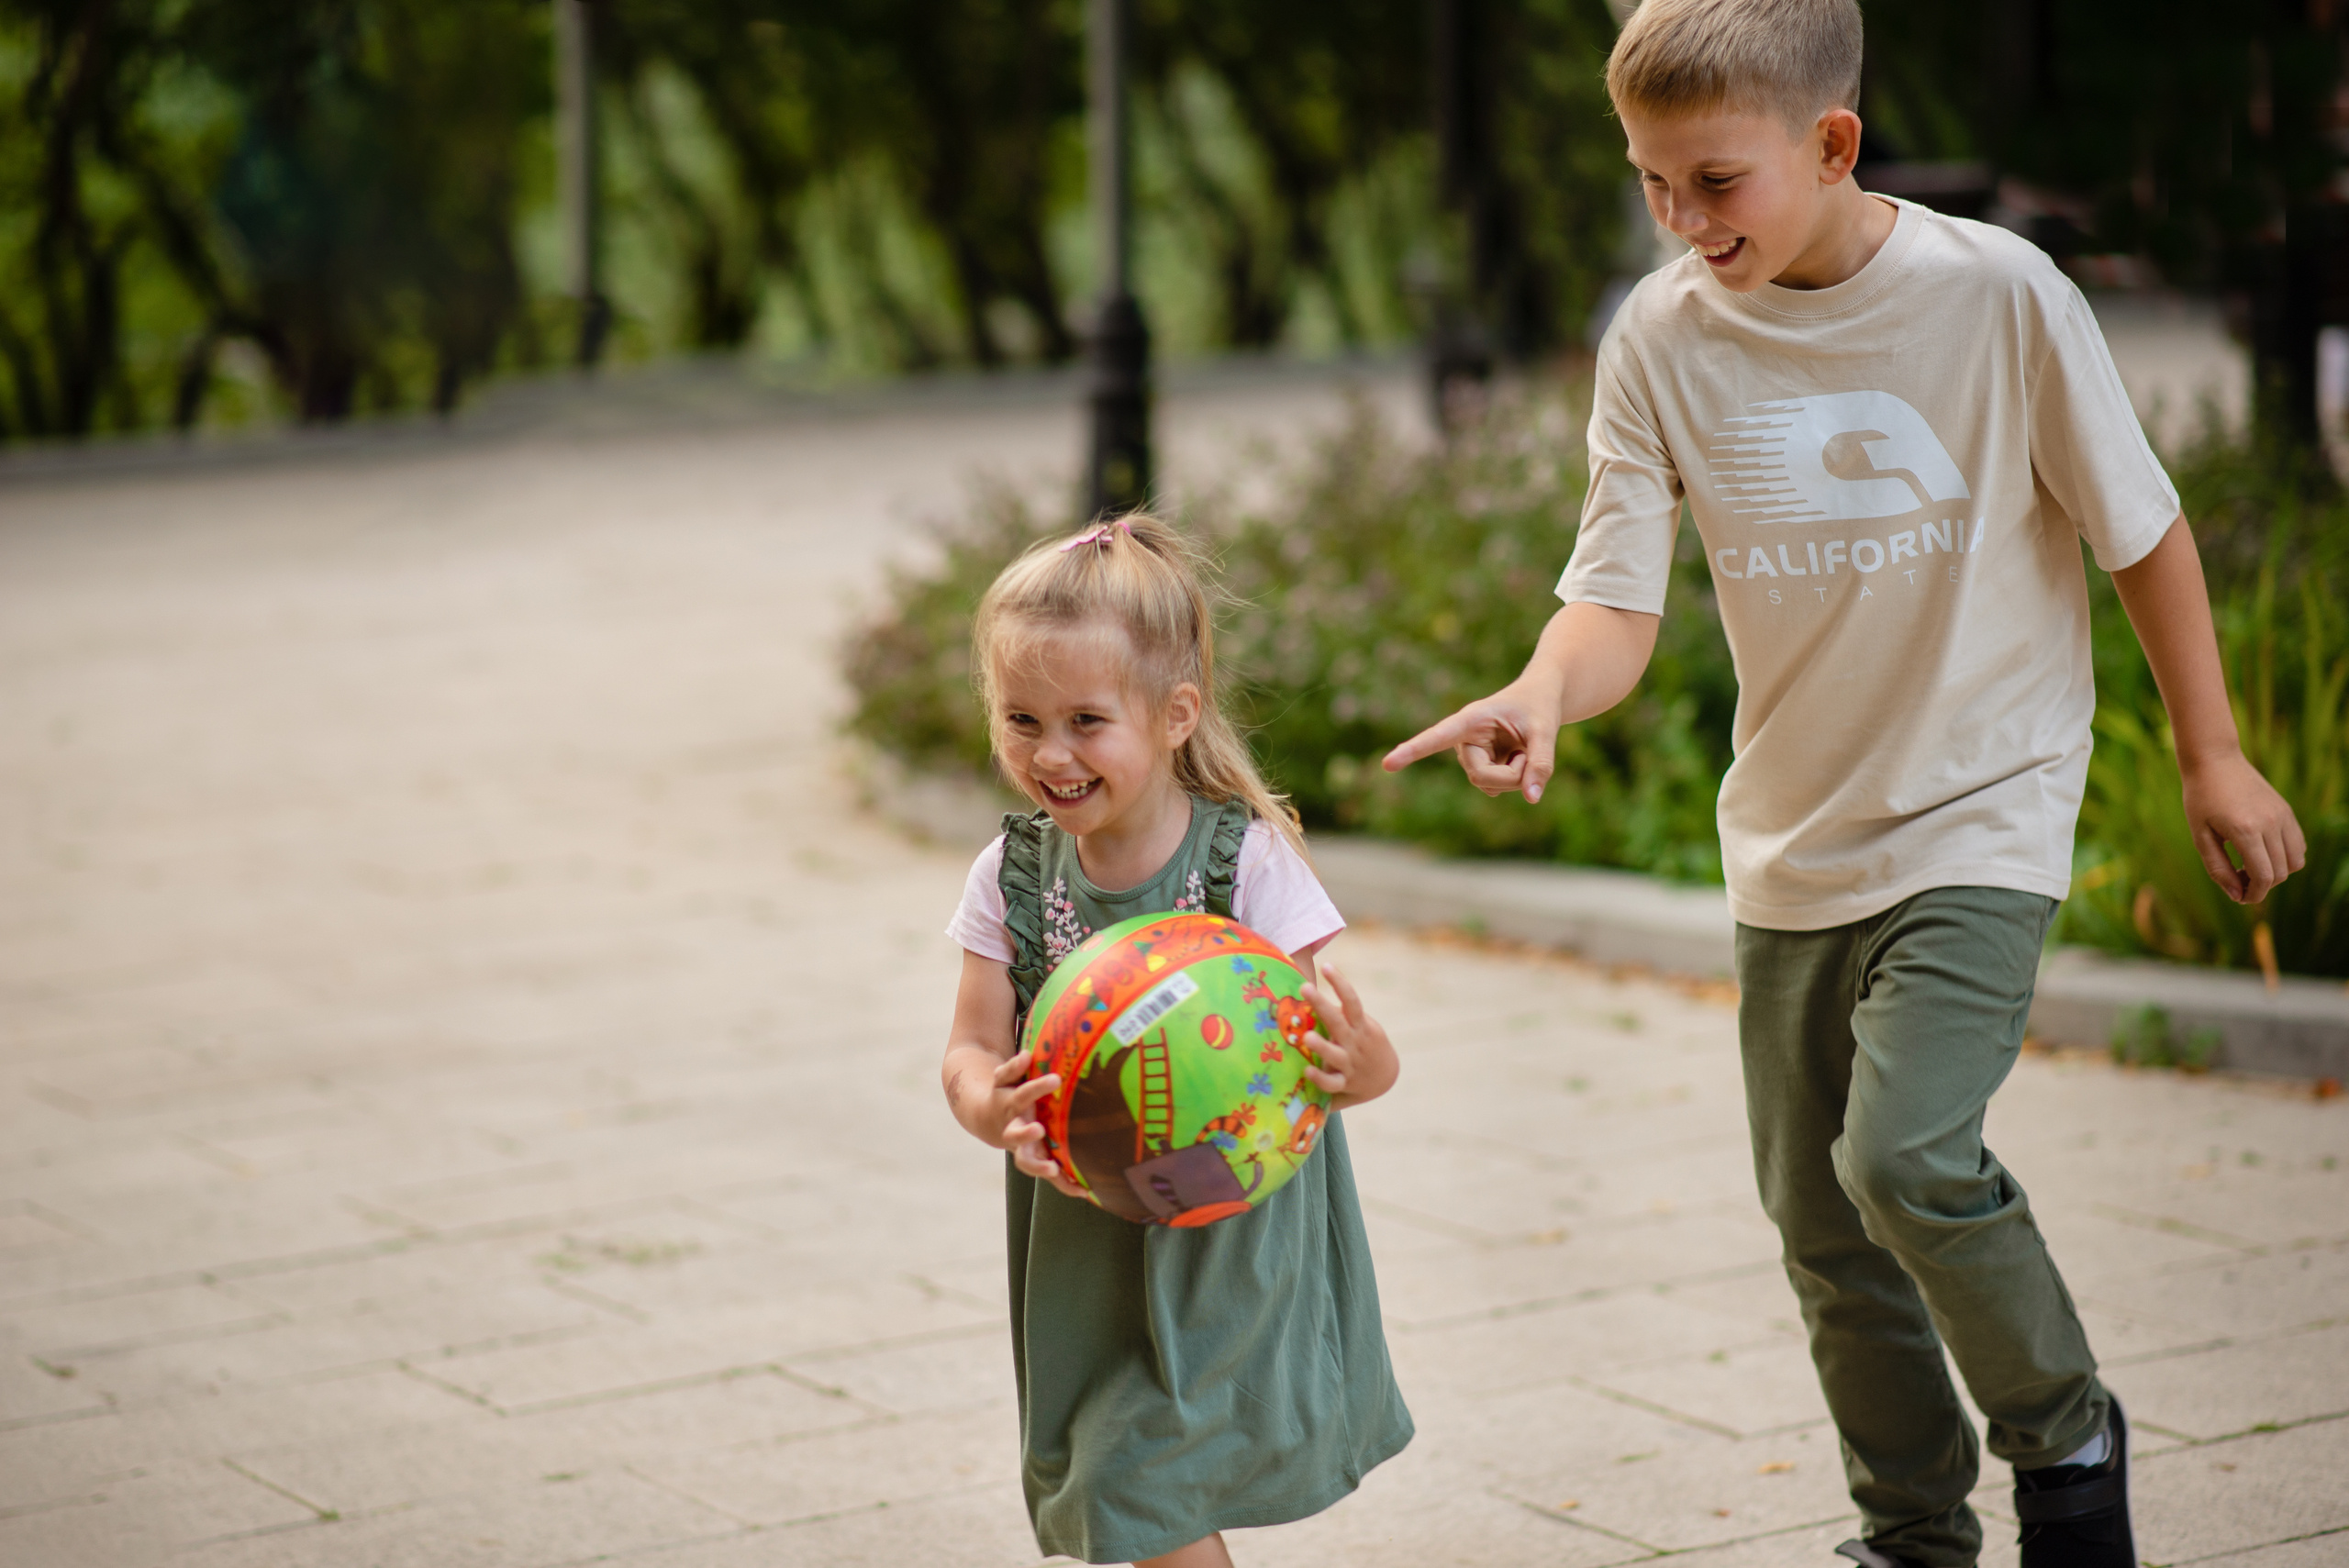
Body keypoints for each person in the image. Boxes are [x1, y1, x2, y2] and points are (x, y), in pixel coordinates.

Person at [1383, 3, 2307, 1565]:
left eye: (1714, 181)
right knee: (1824, 1224)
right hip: (1795, 839)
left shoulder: (1998, 296)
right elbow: (1613, 599)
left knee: (1903, 1157)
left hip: (1981, 807)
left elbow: (2140, 528)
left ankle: (2067, 1440)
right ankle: (1911, 1531)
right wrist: (1542, 690)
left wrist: (2212, 756)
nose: (1681, 218)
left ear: (1831, 143)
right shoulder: (1660, 337)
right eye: (1651, 181)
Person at [939, 514, 1414, 1568]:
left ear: (1173, 715)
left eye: (1085, 720)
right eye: (1021, 718)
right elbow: (968, 1044)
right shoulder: (1010, 875)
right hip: (1088, 1245)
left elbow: (1339, 1047)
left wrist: (1367, 1067)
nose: (1049, 752)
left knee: (1135, 1476)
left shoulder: (1245, 863)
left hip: (1225, 1235)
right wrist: (988, 1103)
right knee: (1123, 1470)